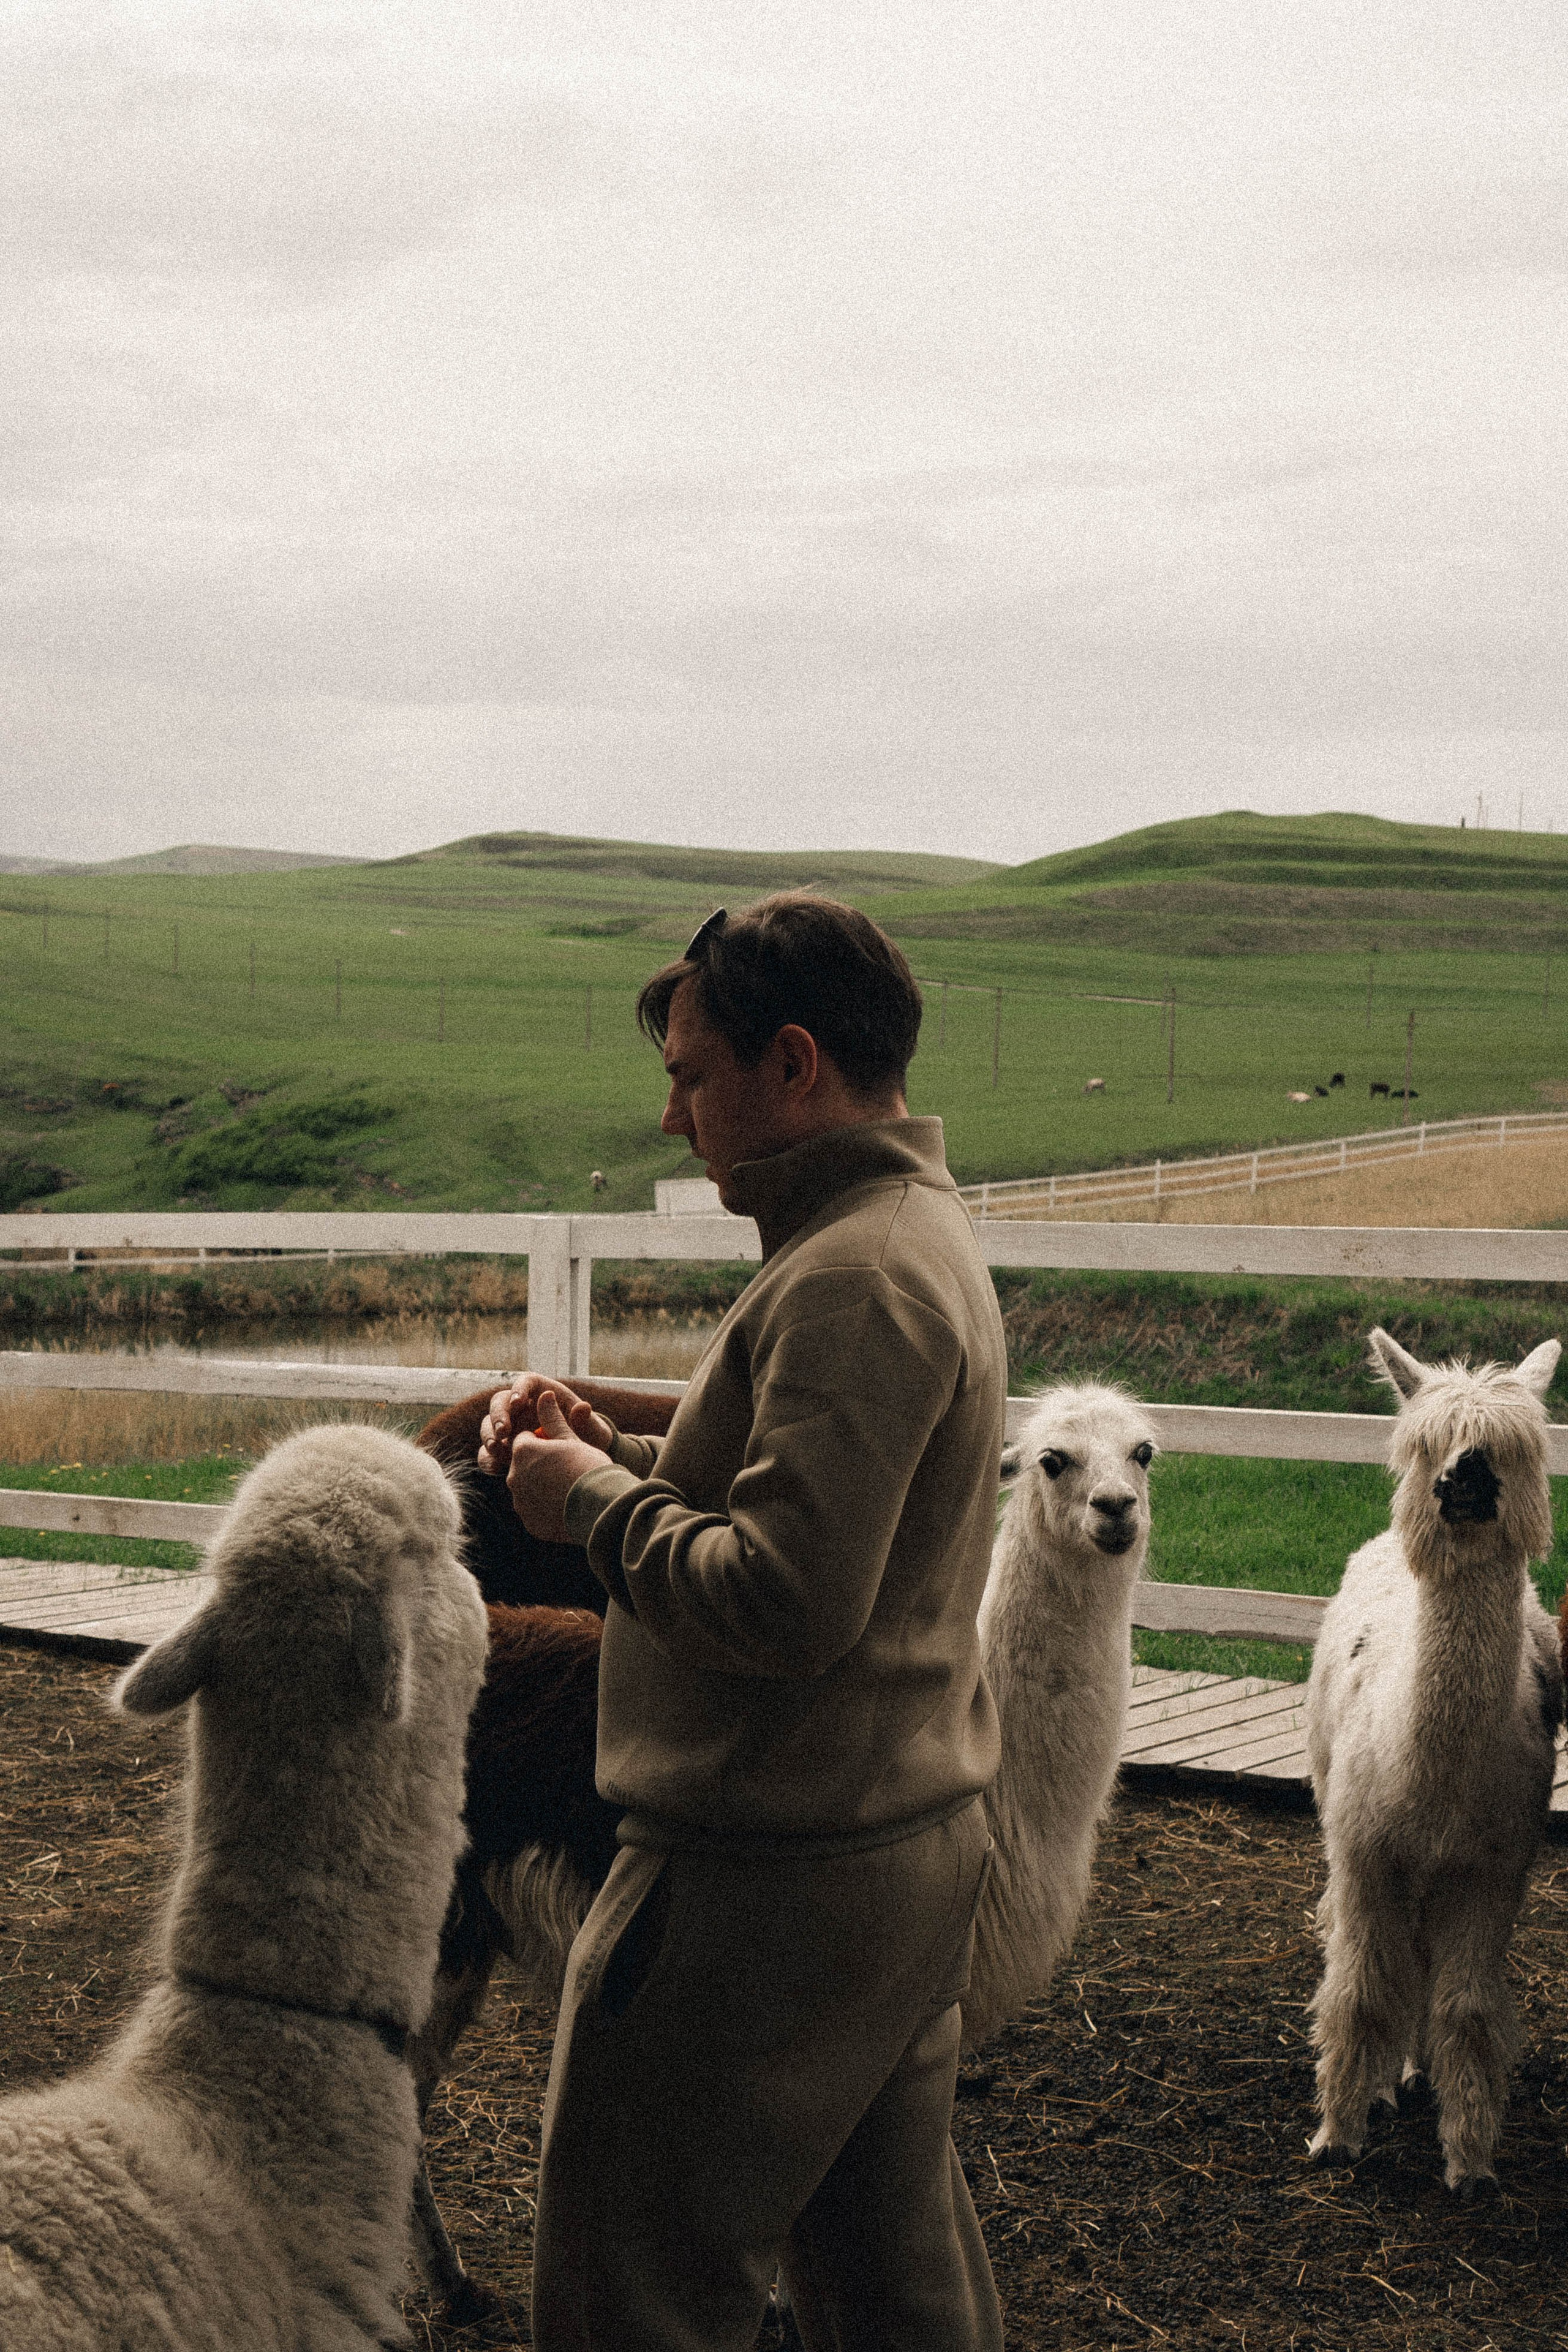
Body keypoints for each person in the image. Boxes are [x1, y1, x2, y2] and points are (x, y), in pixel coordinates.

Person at [481, 894, 1007, 2352]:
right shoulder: (901, 1235)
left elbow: (783, 1599)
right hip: (884, 1847)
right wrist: (625, 1458)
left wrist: (589, 1504)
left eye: (692, 1076)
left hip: (762, 1888)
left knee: (633, 2292)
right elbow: (822, 1509)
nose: (671, 1118)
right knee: (891, 2286)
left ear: (792, 1064)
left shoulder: (852, 1278)